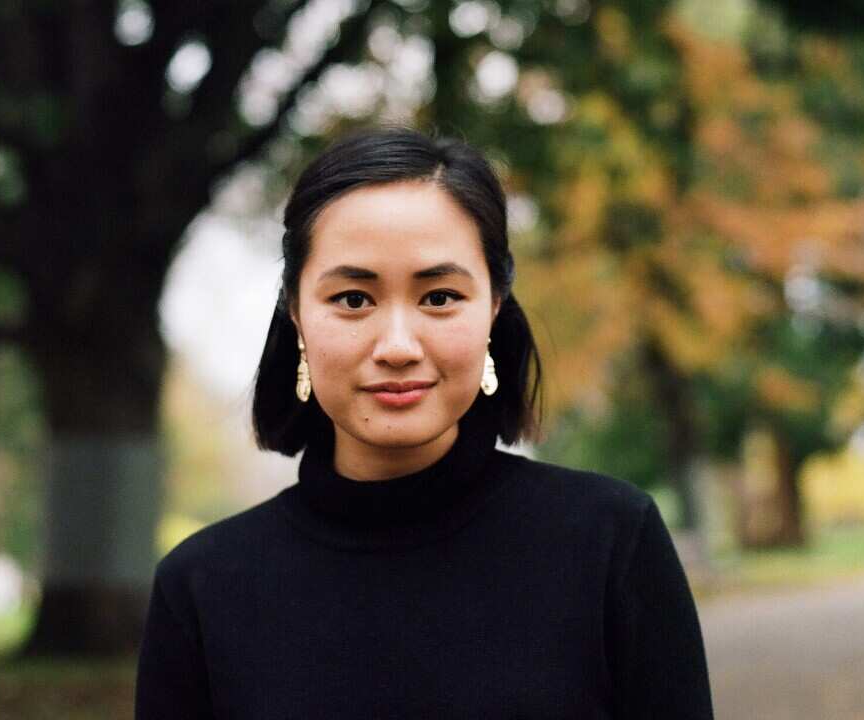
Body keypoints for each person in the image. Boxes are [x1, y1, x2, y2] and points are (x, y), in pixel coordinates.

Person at [135, 127, 714, 718]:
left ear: (493, 304)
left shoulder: (610, 542)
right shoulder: (202, 589)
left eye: (439, 297)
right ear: (295, 311)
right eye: (354, 299)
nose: (397, 345)